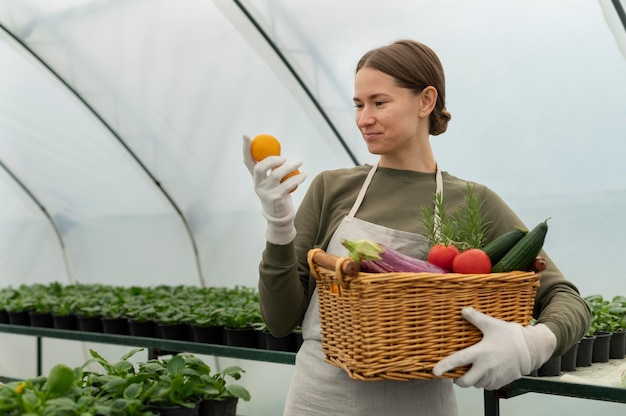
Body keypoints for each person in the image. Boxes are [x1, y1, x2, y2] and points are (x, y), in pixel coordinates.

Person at [242, 39, 591, 416]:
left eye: (379, 102)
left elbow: (568, 300)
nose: (363, 119)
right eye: (358, 105)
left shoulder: (473, 201)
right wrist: (278, 222)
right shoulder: (331, 188)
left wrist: (531, 344)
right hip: (319, 401)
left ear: (426, 101)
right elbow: (279, 321)